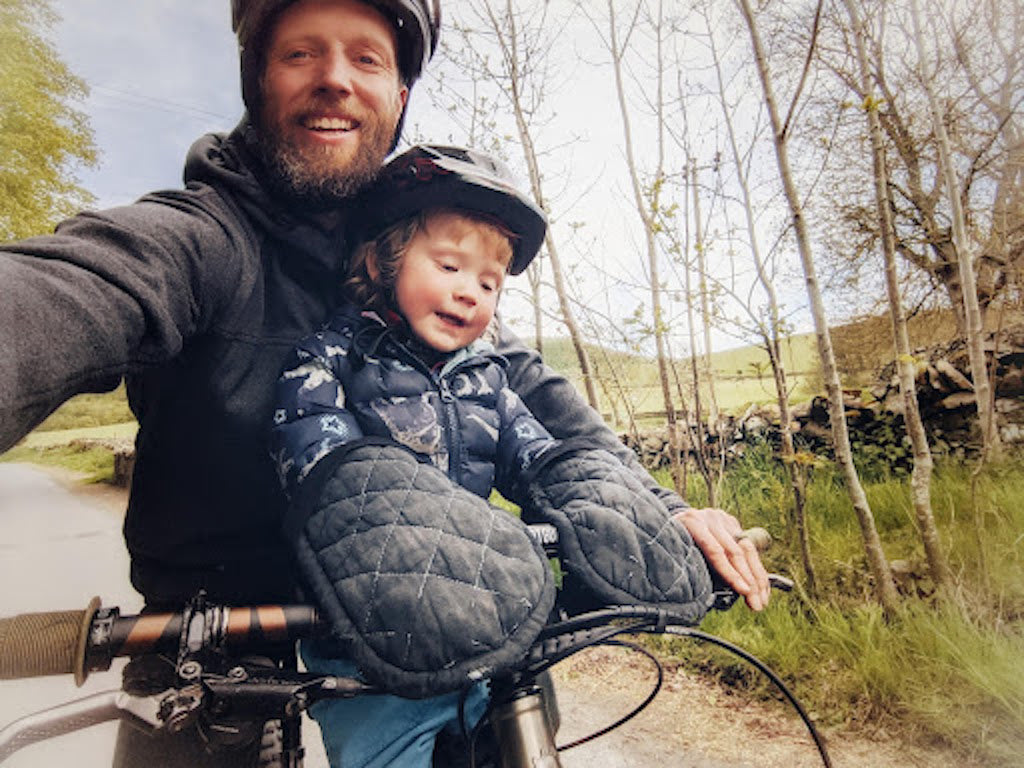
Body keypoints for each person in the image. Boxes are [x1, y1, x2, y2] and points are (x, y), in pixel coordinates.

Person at [0, 1, 769, 766]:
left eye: (367, 58)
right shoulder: (199, 240)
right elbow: (64, 295)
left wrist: (660, 510)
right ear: (256, 79)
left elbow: (542, 411)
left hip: (433, 613)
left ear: (399, 95)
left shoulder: (433, 257)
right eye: (301, 53)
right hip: (210, 646)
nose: (335, 78)